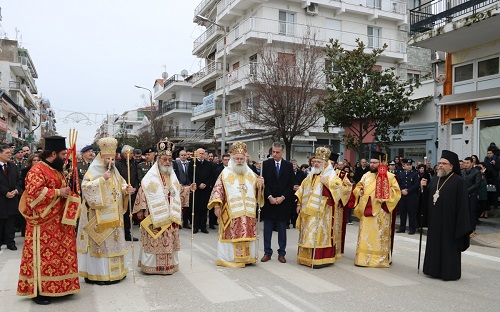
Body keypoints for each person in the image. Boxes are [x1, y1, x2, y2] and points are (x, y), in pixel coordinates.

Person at [17, 136, 80, 305]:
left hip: (60, 222)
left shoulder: (56, 169)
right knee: (44, 258)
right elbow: (34, 196)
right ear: (53, 153)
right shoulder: (37, 170)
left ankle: (61, 285)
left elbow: (63, 190)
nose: (64, 157)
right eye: (62, 153)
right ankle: (39, 291)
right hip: (43, 224)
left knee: (60, 256)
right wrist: (59, 193)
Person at [77, 137, 135, 285]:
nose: (110, 161)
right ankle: (98, 275)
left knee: (114, 244)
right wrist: (102, 179)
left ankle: (117, 273)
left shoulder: (114, 171)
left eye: (112, 158)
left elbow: (119, 185)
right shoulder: (94, 169)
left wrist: (126, 189)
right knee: (100, 246)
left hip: (114, 216)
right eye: (107, 158)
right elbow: (85, 187)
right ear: (101, 157)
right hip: (99, 217)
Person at [207, 142, 264, 267]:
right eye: (237, 158)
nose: (239, 161)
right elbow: (218, 189)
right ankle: (231, 258)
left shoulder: (250, 173)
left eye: (241, 159)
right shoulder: (225, 173)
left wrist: (260, 184)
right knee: (232, 233)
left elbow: (257, 190)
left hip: (247, 212)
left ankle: (247, 258)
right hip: (231, 212)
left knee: (247, 233)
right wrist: (217, 206)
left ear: (245, 159)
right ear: (232, 158)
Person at [295, 147, 352, 268]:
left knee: (319, 235)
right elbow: (302, 189)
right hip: (307, 212)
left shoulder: (332, 176)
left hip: (323, 212)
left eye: (319, 162)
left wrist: (327, 183)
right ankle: (306, 257)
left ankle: (321, 258)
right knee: (308, 234)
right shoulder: (310, 175)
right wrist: (299, 204)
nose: (315, 164)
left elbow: (339, 190)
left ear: (325, 164)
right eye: (314, 161)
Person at [132, 138, 182, 274]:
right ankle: (151, 266)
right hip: (154, 215)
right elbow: (143, 192)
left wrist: (189, 189)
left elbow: (178, 191)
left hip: (170, 215)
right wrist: (141, 209)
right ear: (158, 159)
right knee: (155, 239)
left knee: (169, 240)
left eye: (169, 160)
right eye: (164, 159)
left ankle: (169, 265)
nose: (167, 162)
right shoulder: (150, 176)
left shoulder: (172, 175)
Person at [421, 150, 472, 281]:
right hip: (435, 222)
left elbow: (463, 206)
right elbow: (427, 199)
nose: (440, 166)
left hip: (451, 224)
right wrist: (422, 189)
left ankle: (448, 272)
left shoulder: (459, 182)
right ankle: (433, 270)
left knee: (448, 247)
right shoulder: (434, 180)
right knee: (435, 245)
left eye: (444, 163)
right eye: (440, 163)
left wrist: (461, 224)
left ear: (451, 166)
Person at [352, 151, 401, 267]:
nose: (372, 165)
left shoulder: (390, 177)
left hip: (381, 212)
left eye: (375, 162)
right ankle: (362, 259)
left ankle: (379, 259)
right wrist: (360, 191)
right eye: (371, 162)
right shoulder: (366, 175)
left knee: (379, 235)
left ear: (381, 163)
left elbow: (397, 193)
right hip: (366, 210)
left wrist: (385, 197)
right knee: (365, 235)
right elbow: (357, 187)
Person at [260, 142, 294, 263]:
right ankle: (267, 252)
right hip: (269, 202)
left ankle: (282, 253)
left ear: (282, 152)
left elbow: (290, 184)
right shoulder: (266, 164)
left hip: (283, 203)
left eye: (277, 152)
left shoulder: (288, 166)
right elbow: (263, 183)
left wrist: (282, 197)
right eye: (273, 152)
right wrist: (269, 196)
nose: (274, 154)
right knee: (267, 229)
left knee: (282, 229)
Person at [115, 145, 140, 241]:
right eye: (131, 153)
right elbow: (117, 179)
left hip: (132, 193)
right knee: (121, 213)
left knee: (129, 214)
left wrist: (135, 188)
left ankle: (127, 233)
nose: (132, 155)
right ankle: (119, 234)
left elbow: (137, 178)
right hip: (121, 193)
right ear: (125, 153)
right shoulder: (118, 164)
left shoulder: (134, 164)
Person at [188, 148, 214, 234]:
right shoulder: (192, 164)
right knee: (196, 208)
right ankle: (195, 226)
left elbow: (211, 176)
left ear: (205, 154)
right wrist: (198, 184)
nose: (201, 155)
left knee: (204, 208)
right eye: (199, 153)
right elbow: (190, 176)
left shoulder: (209, 164)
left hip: (205, 190)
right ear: (196, 154)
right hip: (196, 189)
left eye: (203, 153)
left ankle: (203, 226)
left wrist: (206, 184)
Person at [0, 144, 21, 250]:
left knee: (10, 223)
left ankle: (10, 242)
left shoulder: (13, 166)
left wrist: (16, 190)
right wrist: (5, 192)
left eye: (10, 153)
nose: (10, 155)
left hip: (12, 199)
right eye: (7, 153)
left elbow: (19, 180)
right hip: (1, 199)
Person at [396, 159, 420, 235]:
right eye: (407, 165)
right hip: (402, 196)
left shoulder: (415, 174)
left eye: (410, 165)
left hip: (411, 196)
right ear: (404, 166)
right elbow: (397, 184)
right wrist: (401, 190)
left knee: (411, 213)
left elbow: (416, 185)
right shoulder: (400, 174)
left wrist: (408, 191)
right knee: (403, 212)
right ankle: (402, 228)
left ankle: (412, 229)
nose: (409, 166)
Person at [461, 157, 481, 237]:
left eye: (467, 163)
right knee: (463, 213)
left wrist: (466, 191)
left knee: (472, 213)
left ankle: (473, 229)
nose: (466, 164)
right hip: (463, 196)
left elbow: (477, 185)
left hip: (472, 195)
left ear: (472, 163)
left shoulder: (476, 172)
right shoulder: (462, 172)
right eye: (464, 163)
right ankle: (464, 228)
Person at [174, 149, 192, 229]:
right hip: (179, 187)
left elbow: (191, 174)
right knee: (179, 205)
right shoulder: (176, 164)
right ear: (179, 156)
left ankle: (186, 222)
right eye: (182, 155)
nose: (184, 156)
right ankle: (179, 222)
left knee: (187, 205)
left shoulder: (190, 164)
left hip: (188, 187)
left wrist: (190, 184)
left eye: (185, 155)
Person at [290, 159, 306, 228]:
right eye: (292, 164)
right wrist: (292, 186)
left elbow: (303, 181)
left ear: (297, 165)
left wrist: (299, 187)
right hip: (291, 191)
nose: (293, 166)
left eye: (295, 164)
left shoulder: (301, 172)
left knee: (297, 206)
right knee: (290, 207)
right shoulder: (288, 172)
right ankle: (288, 222)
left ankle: (295, 222)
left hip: (299, 191)